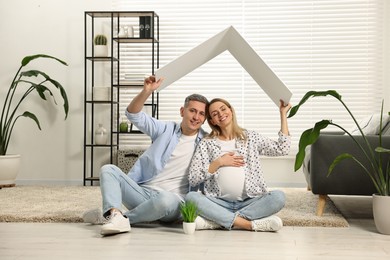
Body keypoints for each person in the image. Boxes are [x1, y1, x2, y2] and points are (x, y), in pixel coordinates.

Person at [83, 75, 209, 236]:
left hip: (173, 201)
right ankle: (115, 214)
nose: (196, 117)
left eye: (201, 114)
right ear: (182, 111)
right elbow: (133, 115)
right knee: (108, 169)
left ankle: (113, 216)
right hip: (142, 193)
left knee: (165, 200)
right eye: (192, 111)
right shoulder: (165, 129)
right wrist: (146, 91)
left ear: (205, 119)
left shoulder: (206, 142)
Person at [186, 97, 291, 232]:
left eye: (223, 109)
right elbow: (193, 178)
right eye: (215, 114)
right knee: (191, 198)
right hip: (218, 202)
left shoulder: (250, 137)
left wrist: (283, 114)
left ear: (231, 110)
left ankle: (218, 222)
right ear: (212, 121)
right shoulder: (206, 143)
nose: (221, 114)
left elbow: (282, 148)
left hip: (250, 201)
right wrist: (219, 162)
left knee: (278, 197)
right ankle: (248, 224)